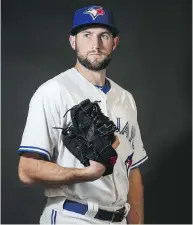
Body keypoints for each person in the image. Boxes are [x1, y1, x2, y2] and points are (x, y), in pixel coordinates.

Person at [17, 5, 148, 224]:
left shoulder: (126, 99)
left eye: (103, 36)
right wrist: (86, 173)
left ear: (114, 43)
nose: (95, 45)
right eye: (87, 35)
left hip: (120, 219)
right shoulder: (53, 91)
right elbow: (26, 170)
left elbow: (133, 172)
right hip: (73, 216)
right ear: (73, 42)